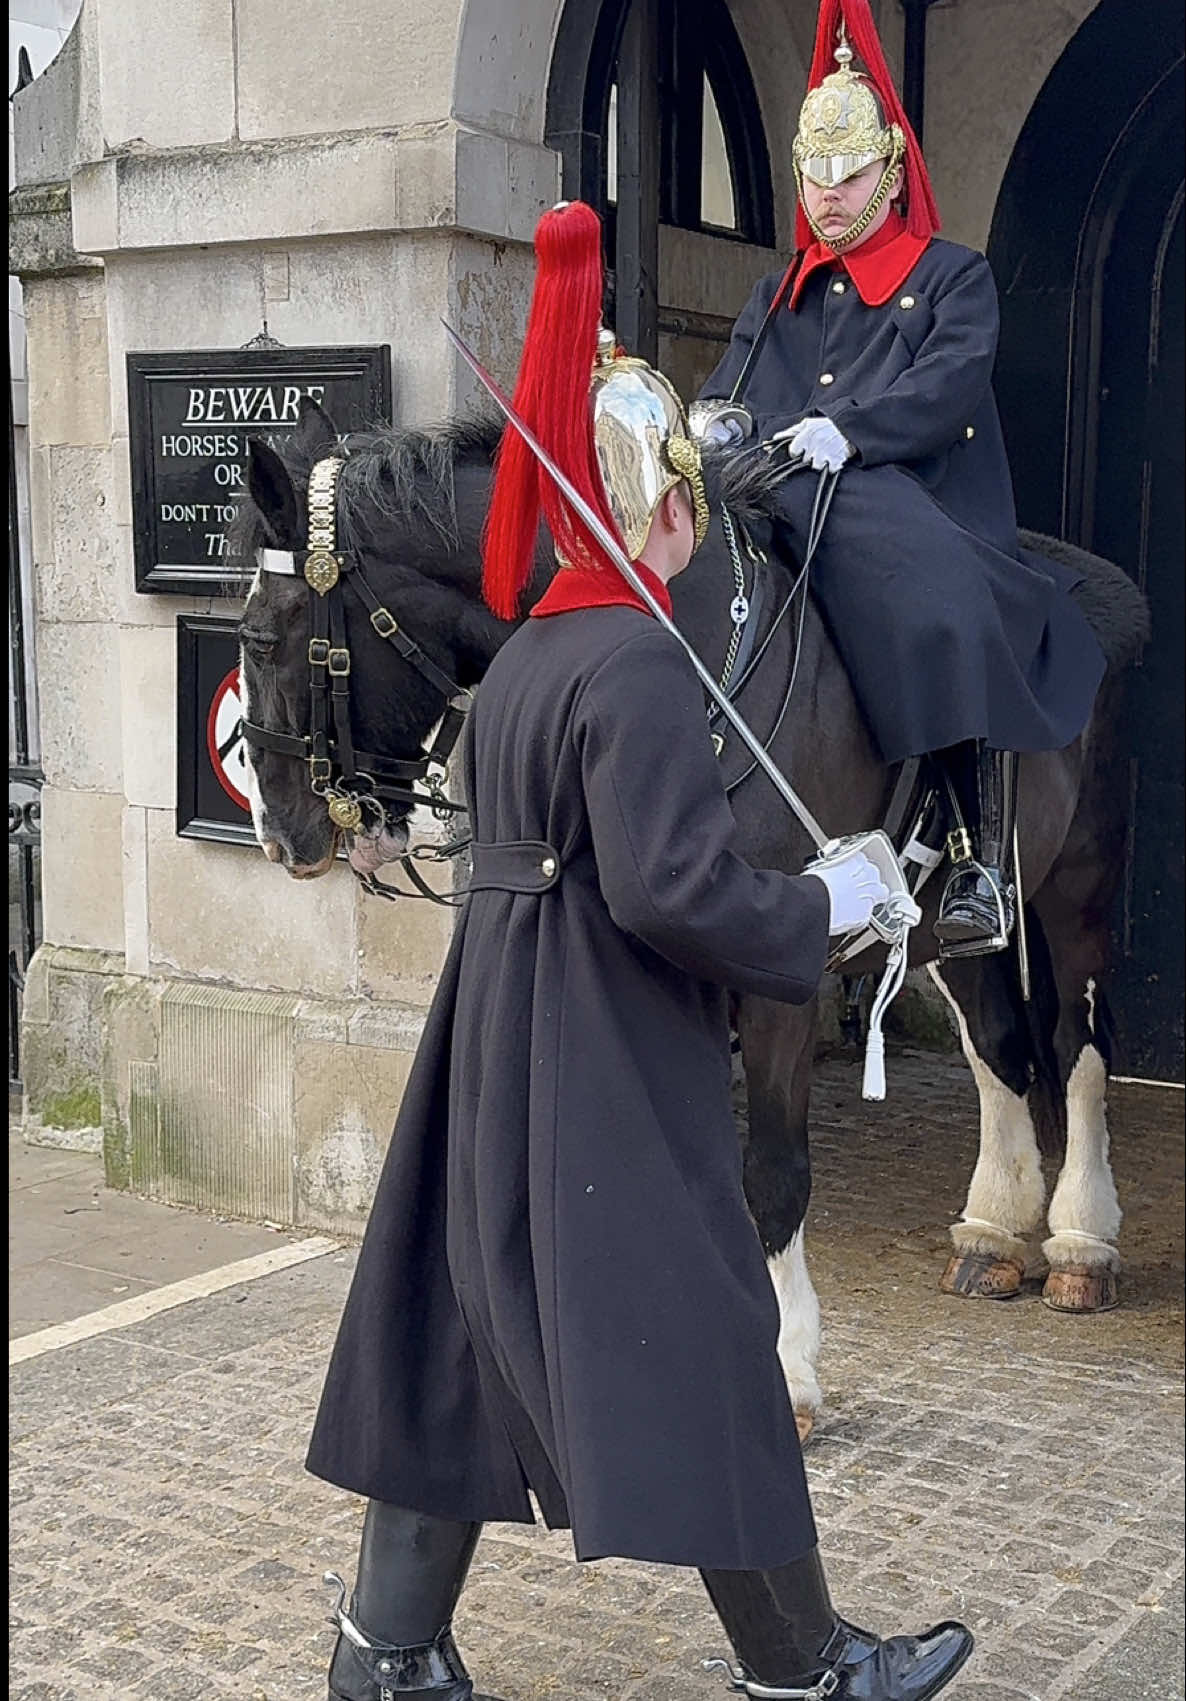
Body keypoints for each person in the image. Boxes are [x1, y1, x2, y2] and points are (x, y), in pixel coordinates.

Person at [306, 198, 974, 1701]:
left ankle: (384, 1652)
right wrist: (834, 902)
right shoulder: (640, 664)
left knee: (461, 1327)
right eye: (679, 497)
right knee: (713, 1335)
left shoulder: (535, 653)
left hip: (501, 1036)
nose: (690, 523)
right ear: (655, 508)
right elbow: (676, 891)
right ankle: (805, 1669)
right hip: (601, 1051)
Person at [695, 0, 1106, 959]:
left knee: (923, 579)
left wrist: (854, 429)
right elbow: (732, 388)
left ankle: (968, 847)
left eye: (851, 174)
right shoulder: (778, 290)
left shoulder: (955, 277)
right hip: (783, 491)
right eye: (816, 176)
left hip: (919, 501)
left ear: (889, 167)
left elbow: (948, 385)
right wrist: (708, 428)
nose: (831, 194)